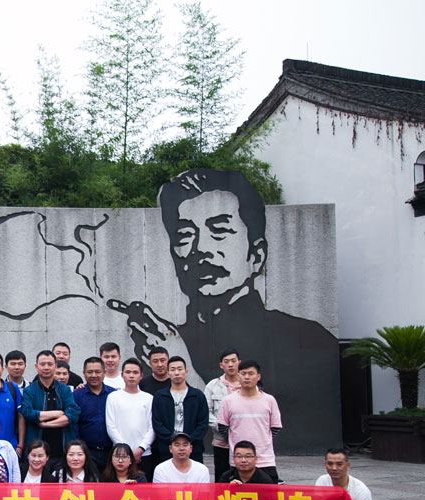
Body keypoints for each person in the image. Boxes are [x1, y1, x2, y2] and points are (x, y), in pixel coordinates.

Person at [111, 169, 340, 452]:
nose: (200, 249)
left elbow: (293, 432)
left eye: (219, 230)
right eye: (184, 235)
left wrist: (181, 371)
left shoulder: (309, 342)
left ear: (256, 254)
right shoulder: (165, 340)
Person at [217, 360, 282, 482]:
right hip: (238, 461)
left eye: (251, 373)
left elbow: (275, 428)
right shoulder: (228, 401)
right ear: (238, 376)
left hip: (265, 460)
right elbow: (223, 427)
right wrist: (235, 442)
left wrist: (263, 442)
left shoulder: (269, 400)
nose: (247, 377)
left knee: (269, 493)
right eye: (243, 373)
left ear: (258, 376)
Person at [21, 350, 81, 465]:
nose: (46, 367)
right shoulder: (29, 391)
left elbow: (73, 414)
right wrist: (56, 413)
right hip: (37, 453)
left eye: (50, 364)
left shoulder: (65, 390)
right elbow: (27, 412)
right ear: (36, 367)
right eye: (42, 364)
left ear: (55, 366)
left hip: (62, 450)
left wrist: (46, 424)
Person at [151, 356, 208, 465]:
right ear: (168, 373)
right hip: (167, 449)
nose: (176, 373)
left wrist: (187, 442)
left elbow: (203, 424)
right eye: (173, 370)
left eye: (180, 369)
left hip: (193, 449)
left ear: (186, 372)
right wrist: (173, 442)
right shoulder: (160, 396)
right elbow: (157, 423)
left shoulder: (197, 396)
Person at [105, 359, 156, 480]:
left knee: (144, 488)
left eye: (135, 372)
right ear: (122, 375)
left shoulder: (149, 398)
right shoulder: (113, 397)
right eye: (128, 372)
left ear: (141, 376)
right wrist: (125, 452)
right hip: (120, 456)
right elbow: (111, 426)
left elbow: (152, 428)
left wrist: (141, 449)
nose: (131, 375)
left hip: (144, 454)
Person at [72, 357, 115, 472]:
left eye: (97, 372)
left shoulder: (113, 394)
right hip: (87, 452)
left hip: (111, 452)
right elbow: (74, 424)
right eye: (90, 372)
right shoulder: (76, 395)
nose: (94, 375)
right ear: (84, 373)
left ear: (104, 372)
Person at [205, 349, 242, 479]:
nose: (230, 364)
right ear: (221, 365)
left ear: (239, 362)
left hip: (243, 442)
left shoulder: (248, 384)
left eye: (233, 361)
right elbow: (206, 412)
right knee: (222, 479)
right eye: (226, 362)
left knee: (244, 479)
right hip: (221, 442)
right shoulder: (213, 386)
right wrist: (222, 427)